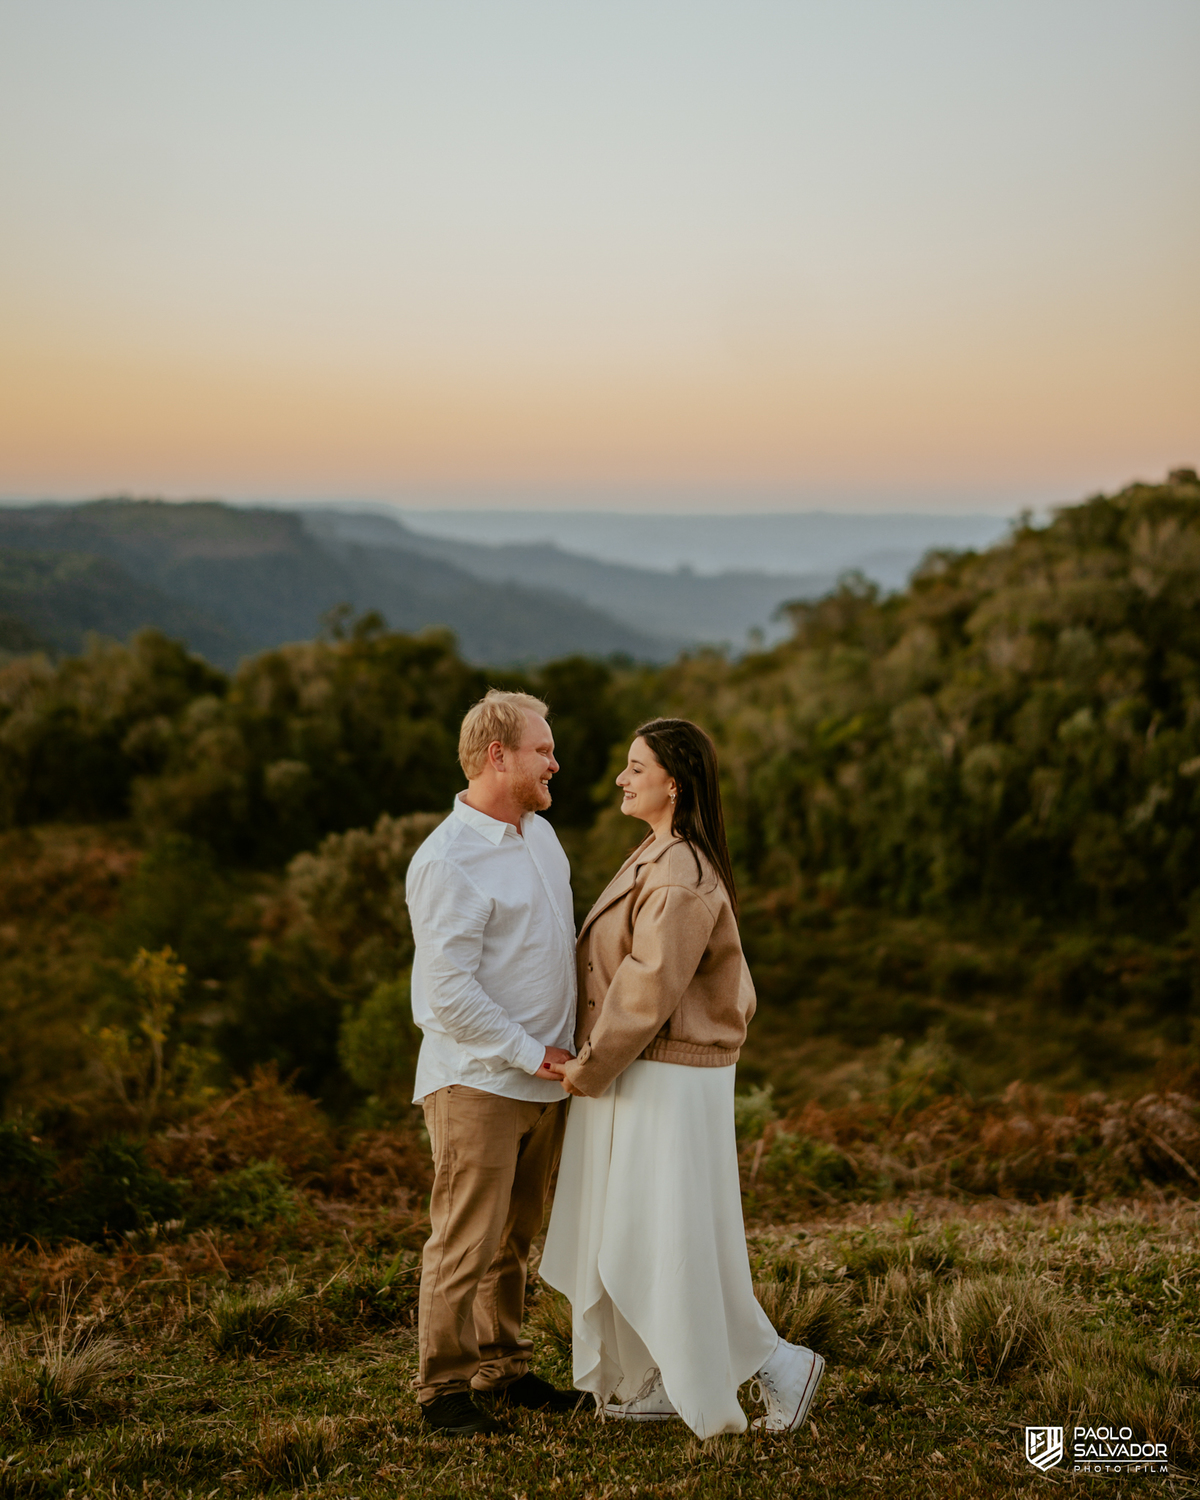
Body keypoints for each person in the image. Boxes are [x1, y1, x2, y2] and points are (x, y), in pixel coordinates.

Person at [540, 717, 825, 1439]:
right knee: (654, 1232)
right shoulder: (659, 854)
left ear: (674, 782)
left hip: (663, 1076)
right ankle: (670, 1376)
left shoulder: (679, 875)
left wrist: (586, 1067)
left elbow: (648, 988)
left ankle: (778, 1365)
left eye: (636, 767)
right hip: (646, 1070)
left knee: (662, 1234)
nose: (622, 778)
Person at [405, 689, 582, 1435]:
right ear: (497, 755)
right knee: (465, 1240)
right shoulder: (448, 859)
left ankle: (502, 1369)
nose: (555, 763)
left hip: (544, 1082)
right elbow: (445, 994)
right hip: (478, 1081)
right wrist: (531, 1053)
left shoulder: (542, 836)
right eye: (543, 750)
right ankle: (443, 1390)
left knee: (513, 1238)